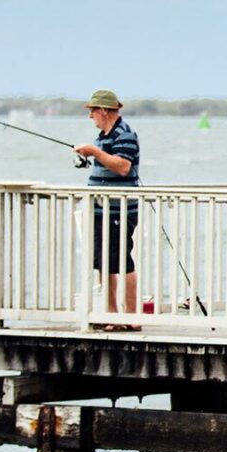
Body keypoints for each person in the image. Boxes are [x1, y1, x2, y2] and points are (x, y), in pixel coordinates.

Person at [73, 89, 141, 313]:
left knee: (122, 260)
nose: (90, 116)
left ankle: (131, 315)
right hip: (99, 210)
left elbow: (123, 166)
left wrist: (94, 152)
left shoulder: (125, 134)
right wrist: (91, 154)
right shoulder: (102, 137)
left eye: (92, 111)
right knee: (103, 261)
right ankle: (111, 312)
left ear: (103, 110)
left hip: (119, 210)